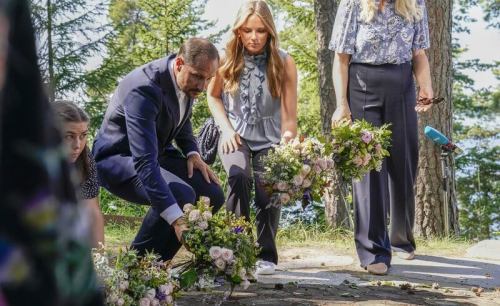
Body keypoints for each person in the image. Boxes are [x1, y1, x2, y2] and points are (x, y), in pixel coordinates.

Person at [92, 38, 225, 261]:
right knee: (181, 194)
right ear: (180, 63)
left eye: (208, 79)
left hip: (157, 153)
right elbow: (144, 162)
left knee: (211, 193)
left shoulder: (185, 80)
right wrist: (177, 220)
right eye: (198, 76)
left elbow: (181, 118)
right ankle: (134, 270)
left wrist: (193, 153)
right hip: (119, 159)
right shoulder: (144, 88)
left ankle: (158, 268)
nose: (202, 86)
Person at [329, 0, 434, 275]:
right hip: (363, 84)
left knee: (404, 162)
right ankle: (373, 249)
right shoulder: (352, 4)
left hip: (402, 85)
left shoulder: (415, 3)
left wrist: (426, 87)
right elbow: (341, 58)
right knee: (368, 166)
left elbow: (419, 53)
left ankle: (401, 238)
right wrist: (342, 104)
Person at [207, 0, 298, 275]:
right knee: (239, 176)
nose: (254, 37)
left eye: (260, 30)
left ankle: (266, 254)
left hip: (271, 138)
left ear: (269, 31)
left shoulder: (284, 61)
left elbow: (290, 115)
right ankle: (236, 248)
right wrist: (225, 128)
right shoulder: (225, 59)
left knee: (267, 186)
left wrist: (288, 139)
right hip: (235, 135)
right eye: (247, 30)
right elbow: (213, 96)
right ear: (238, 31)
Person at [53, 100, 105, 248]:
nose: (77, 145)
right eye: (69, 136)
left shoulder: (85, 159)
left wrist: (99, 260)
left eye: (83, 135)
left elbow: (92, 213)